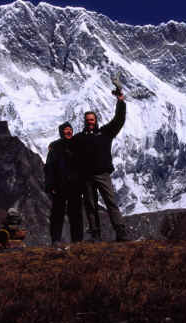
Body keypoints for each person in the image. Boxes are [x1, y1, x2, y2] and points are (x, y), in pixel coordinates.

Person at [72, 92, 129, 241]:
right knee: (90, 206)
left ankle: (120, 232)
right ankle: (95, 235)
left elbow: (119, 120)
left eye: (92, 119)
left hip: (102, 174)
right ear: (84, 121)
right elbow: (67, 149)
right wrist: (54, 147)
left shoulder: (105, 133)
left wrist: (121, 101)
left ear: (96, 120)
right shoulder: (78, 138)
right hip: (86, 177)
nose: (90, 122)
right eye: (87, 120)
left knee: (111, 202)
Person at [44, 122, 84, 244]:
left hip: (75, 186)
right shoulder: (55, 147)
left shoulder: (78, 145)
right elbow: (49, 167)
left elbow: (83, 166)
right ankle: (55, 239)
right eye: (66, 130)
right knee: (57, 214)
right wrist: (50, 185)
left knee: (76, 214)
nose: (68, 132)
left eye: (70, 129)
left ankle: (77, 239)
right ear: (61, 132)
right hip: (59, 186)